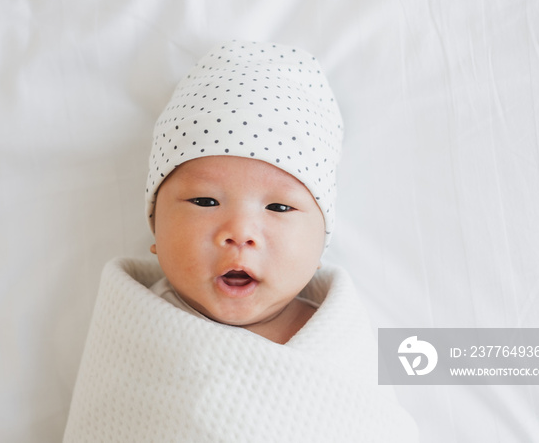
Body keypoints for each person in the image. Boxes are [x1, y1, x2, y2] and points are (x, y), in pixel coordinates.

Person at [63, 41, 419, 442]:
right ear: (155, 230)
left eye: (280, 208)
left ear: (321, 247)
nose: (240, 232)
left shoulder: (339, 340)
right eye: (205, 201)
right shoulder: (134, 334)